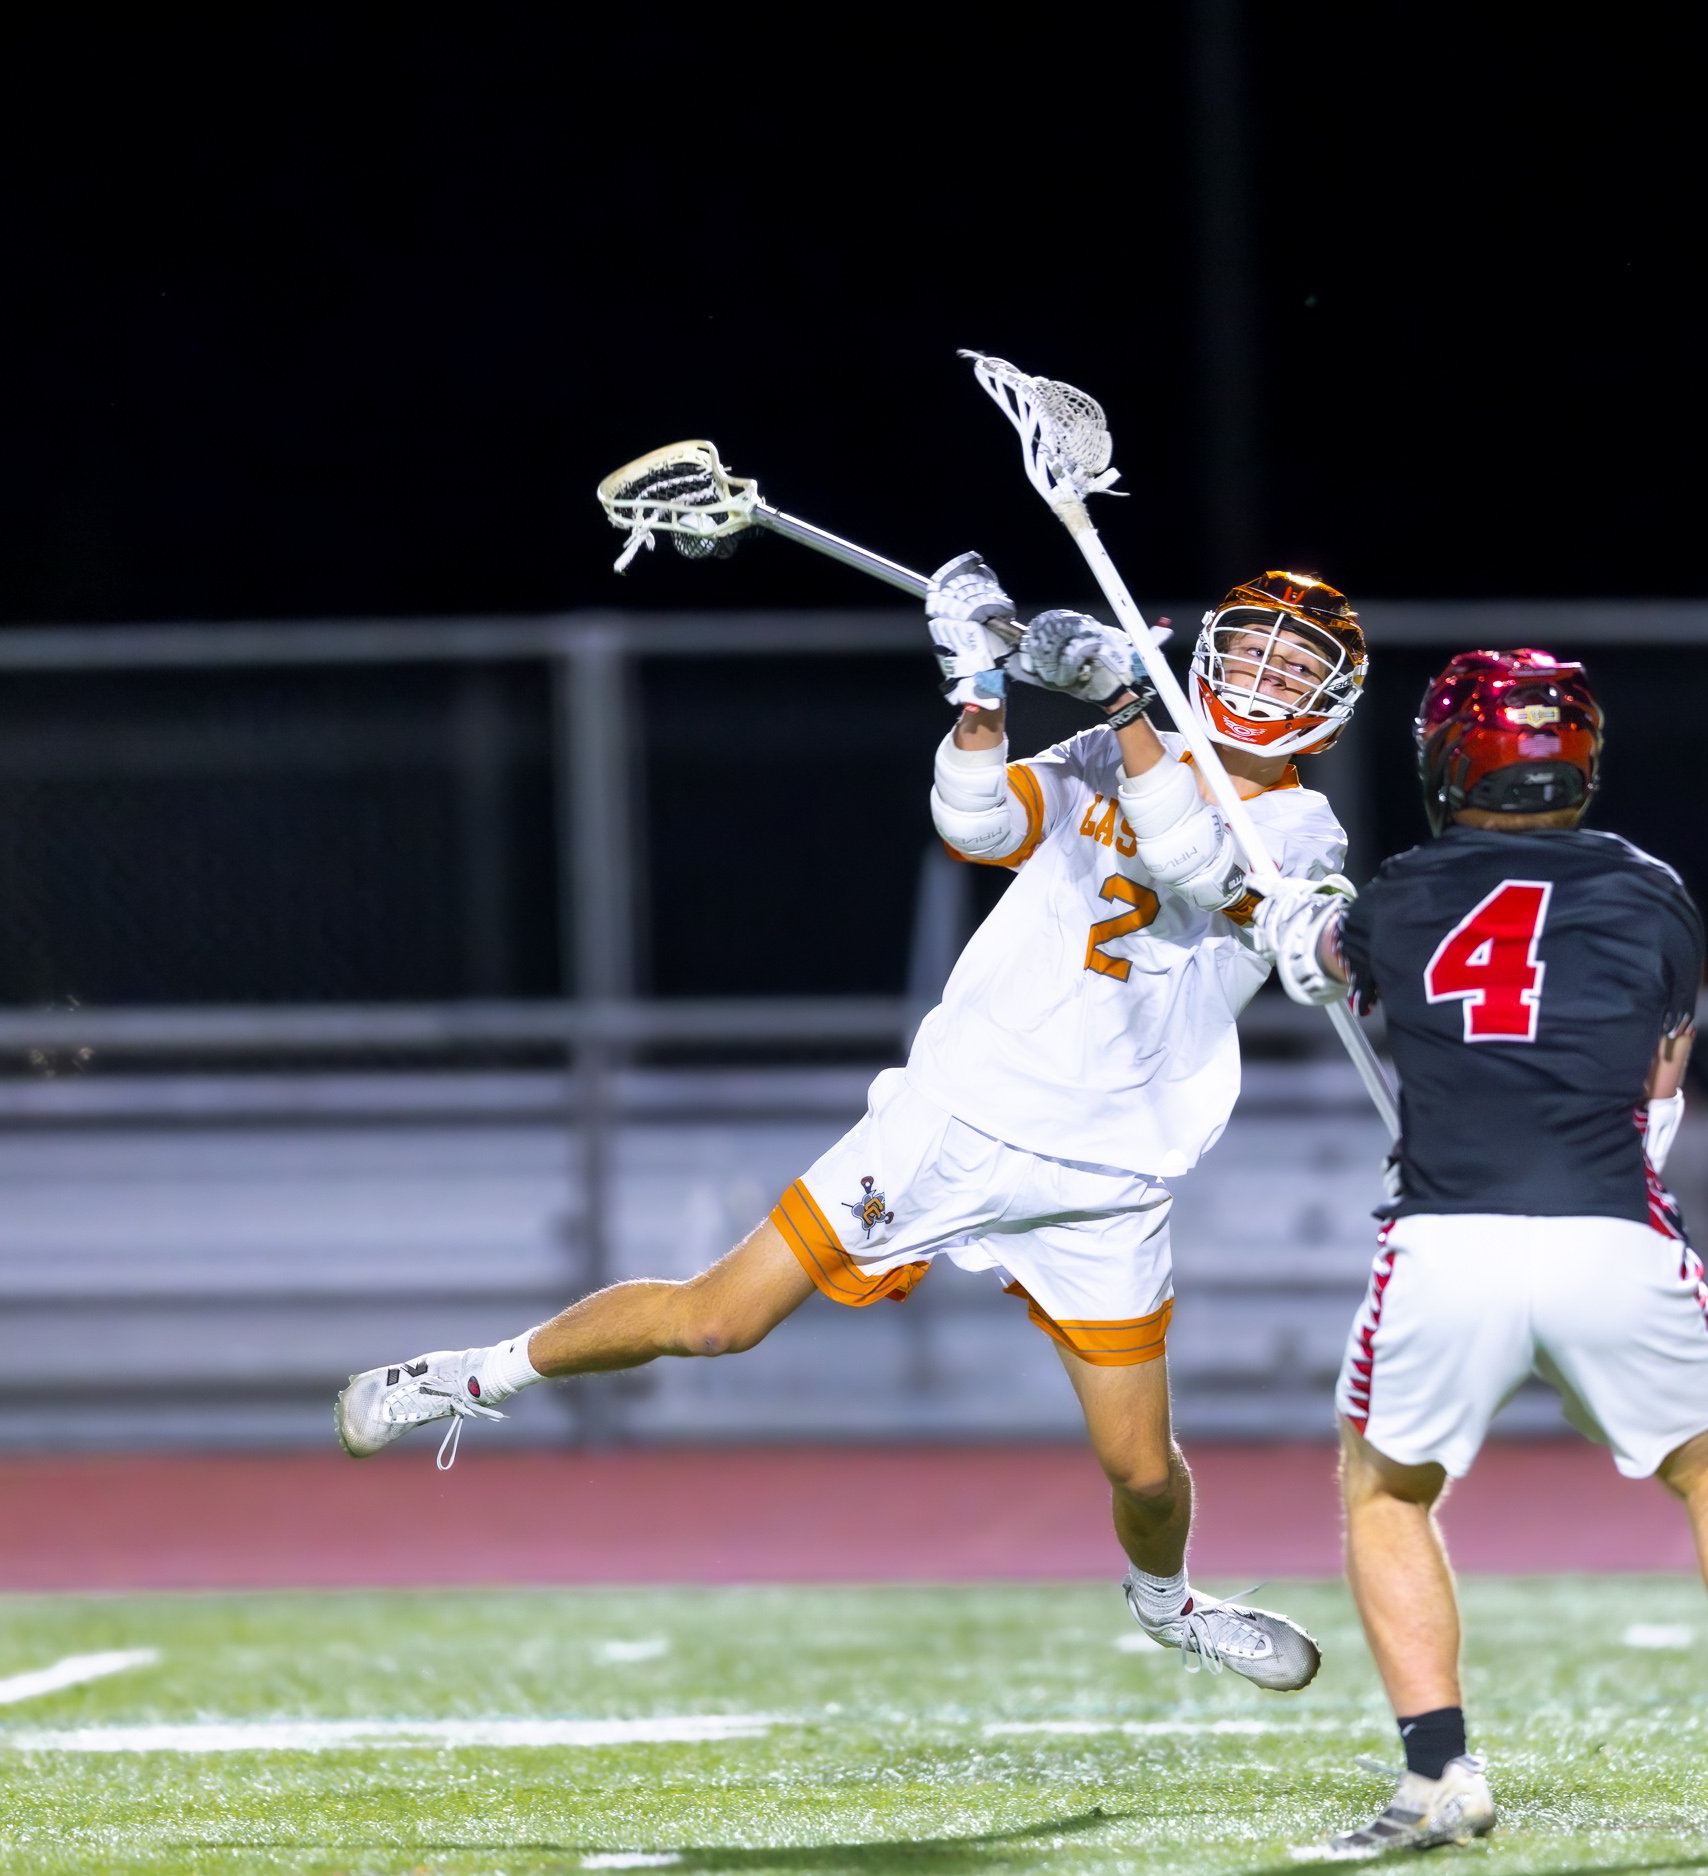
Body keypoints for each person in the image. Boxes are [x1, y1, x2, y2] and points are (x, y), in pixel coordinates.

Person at [335, 559, 1365, 1691]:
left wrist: (1124, 706)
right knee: (715, 1321)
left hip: (1108, 1173)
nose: (1263, 678)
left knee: (1144, 1471)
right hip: (958, 1111)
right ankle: (469, 1376)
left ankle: (1169, 1608)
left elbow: (1194, 863)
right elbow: (975, 824)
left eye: (1292, 668)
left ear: (1327, 705)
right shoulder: (1102, 748)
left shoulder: (1303, 834)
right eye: (1253, 650)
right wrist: (978, 691)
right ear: (1209, 651)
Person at [1255, 650, 1708, 1853]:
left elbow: (1319, 963)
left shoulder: (1400, 892)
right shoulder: (1655, 893)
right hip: (1611, 1224)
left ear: (1450, 761)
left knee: (1386, 1492)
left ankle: (1438, 1770)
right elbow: (1661, 1084)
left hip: (1449, 1235)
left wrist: (1295, 924)